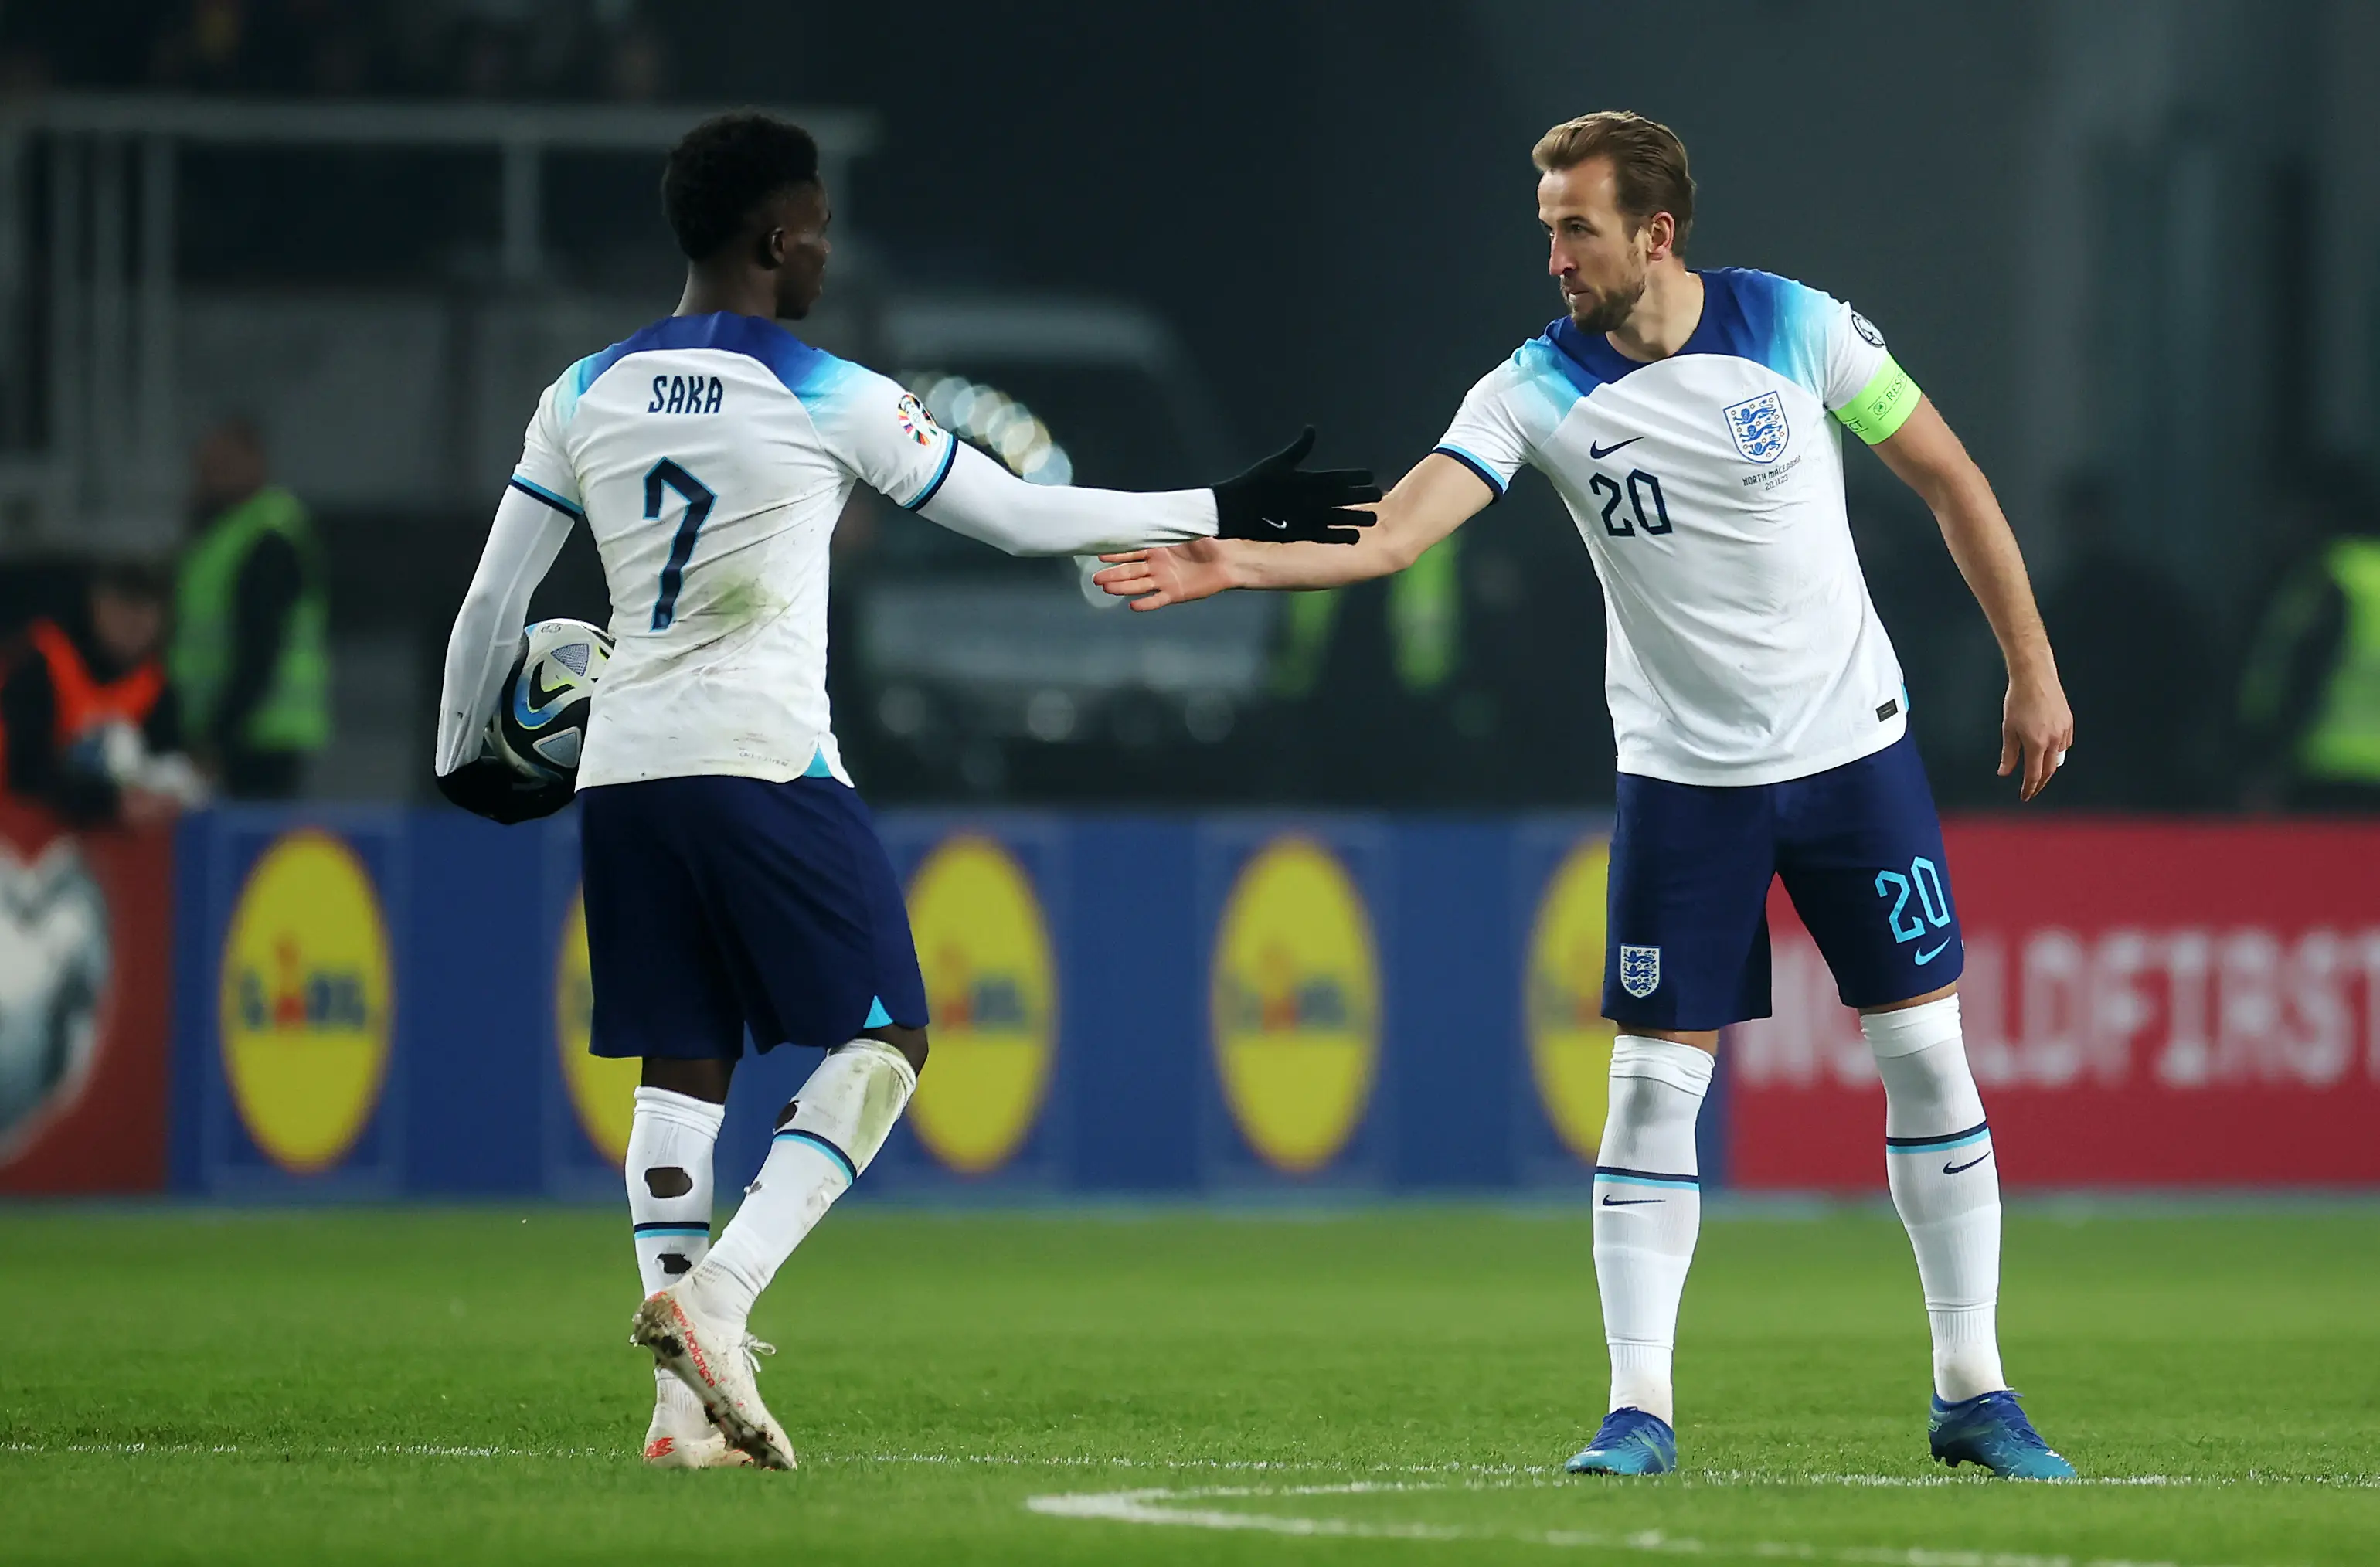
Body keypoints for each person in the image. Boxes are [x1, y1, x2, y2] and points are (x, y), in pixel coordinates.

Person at [1098, 111, 2078, 1480]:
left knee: (1924, 1055)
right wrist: (1234, 560)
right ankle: (1639, 1410)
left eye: (1575, 226)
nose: (1552, 253)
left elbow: (1950, 478)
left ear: (1655, 233)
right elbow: (1395, 529)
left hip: (1855, 753)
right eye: (1546, 224)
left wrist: (2031, 669)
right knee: (1650, 1087)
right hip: (1686, 782)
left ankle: (1973, 1386)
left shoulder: (1797, 326)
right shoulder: (1532, 388)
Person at [430, 111, 1374, 1470]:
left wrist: (468, 751)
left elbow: (491, 604)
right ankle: (720, 1297)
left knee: (680, 1068)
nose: (825, 249)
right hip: (764, 759)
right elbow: (1014, 513)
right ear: (771, 236)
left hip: (630, 773)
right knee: (888, 1038)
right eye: (814, 227)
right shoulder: (828, 391)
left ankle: (678, 1414)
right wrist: (1215, 505)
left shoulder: (582, 392)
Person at [169, 418, 331, 800]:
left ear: (255, 462)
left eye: (222, 464)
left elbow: (260, 648)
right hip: (227, 733)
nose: (209, 476)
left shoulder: (267, 537)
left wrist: (217, 736)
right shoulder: (219, 534)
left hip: (258, 736)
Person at [1, 561, 196, 828]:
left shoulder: (155, 688)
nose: (133, 626)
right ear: (96, 607)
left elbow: (168, 765)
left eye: (145, 615)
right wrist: (109, 803)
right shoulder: (42, 663)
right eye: (123, 611)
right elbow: (24, 773)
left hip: (107, 845)